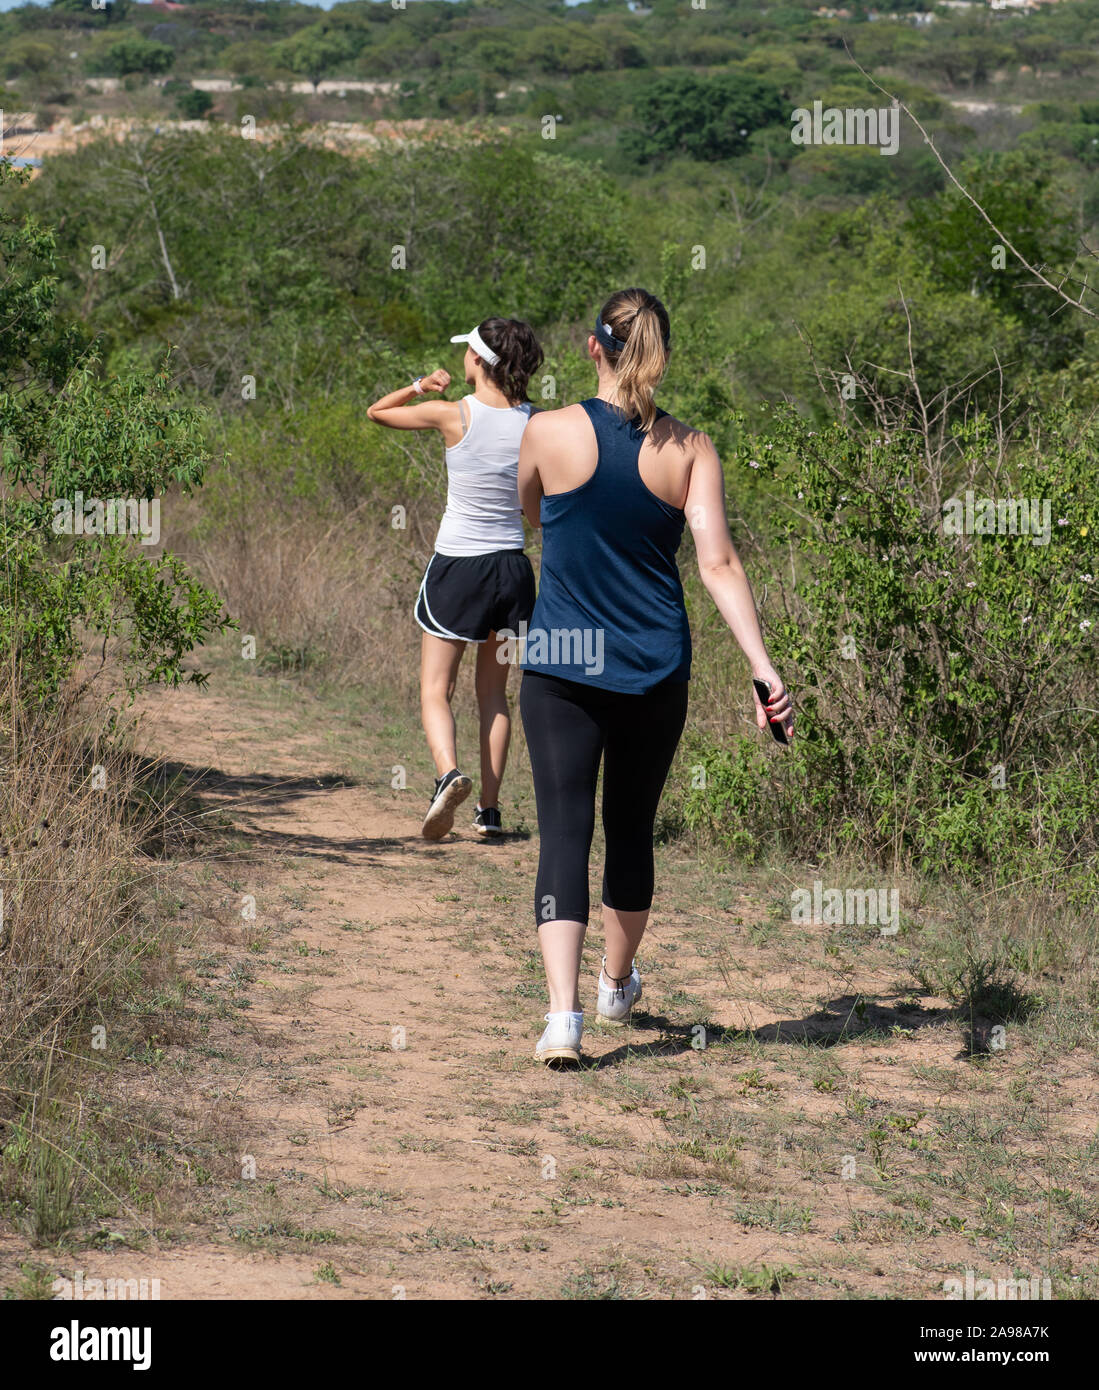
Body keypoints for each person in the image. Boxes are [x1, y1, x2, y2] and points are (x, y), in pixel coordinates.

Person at [517, 287, 793, 1065]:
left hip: (561, 665)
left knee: (564, 831)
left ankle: (562, 1019)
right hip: (653, 667)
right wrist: (761, 667)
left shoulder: (545, 432)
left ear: (592, 346)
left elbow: (533, 515)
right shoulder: (691, 450)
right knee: (630, 828)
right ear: (659, 356)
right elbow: (717, 562)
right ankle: (615, 983)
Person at [368, 318, 543, 840]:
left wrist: (420, 385)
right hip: (513, 570)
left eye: (468, 350)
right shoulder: (537, 423)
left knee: (434, 689)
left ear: (478, 360)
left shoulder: (453, 415)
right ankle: (489, 812)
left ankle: (447, 774)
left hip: (459, 567)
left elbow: (378, 412)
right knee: (494, 696)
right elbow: (540, 510)